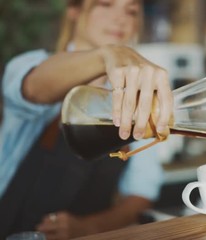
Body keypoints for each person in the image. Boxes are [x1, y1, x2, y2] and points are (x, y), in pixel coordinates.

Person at [0, 0, 173, 239]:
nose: (120, 18)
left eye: (131, 11)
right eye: (105, 4)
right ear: (74, 10)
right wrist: (108, 55)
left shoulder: (138, 100)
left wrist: (89, 227)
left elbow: (140, 195)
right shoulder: (30, 65)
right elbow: (36, 89)